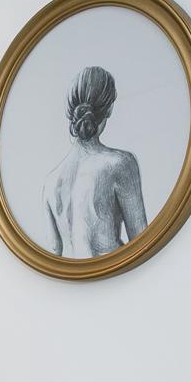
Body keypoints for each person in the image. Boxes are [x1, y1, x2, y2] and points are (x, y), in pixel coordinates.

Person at [42, 66, 147, 258]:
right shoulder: (121, 164)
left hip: (75, 285)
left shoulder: (50, 182)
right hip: (116, 282)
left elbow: (55, 253)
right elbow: (143, 246)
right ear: (109, 109)